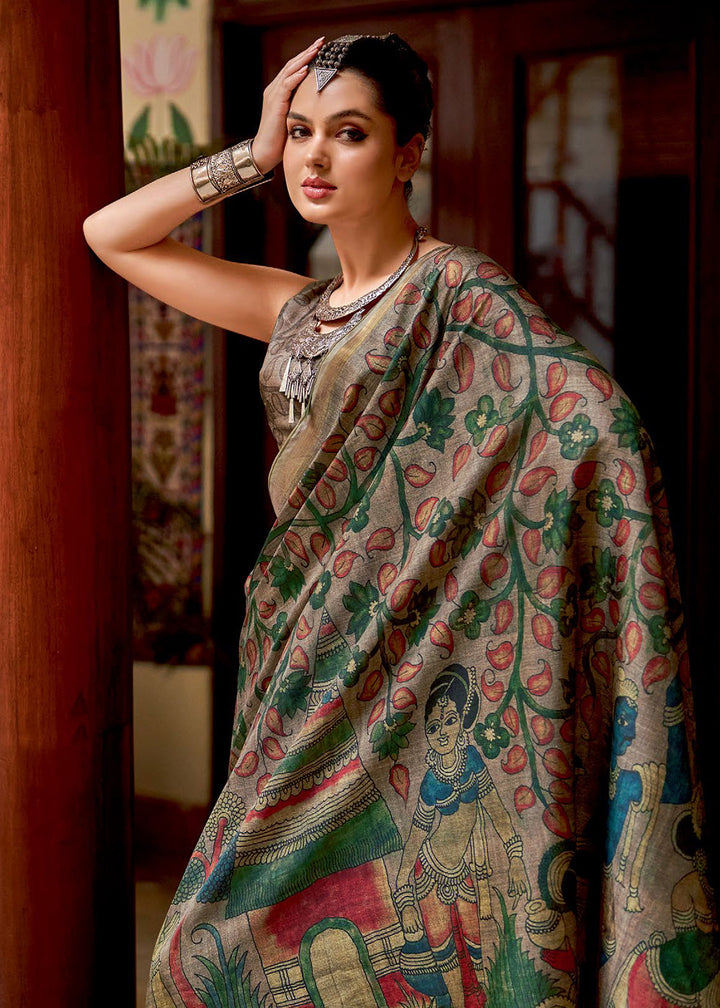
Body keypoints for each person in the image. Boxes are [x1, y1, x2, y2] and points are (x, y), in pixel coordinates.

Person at [84, 32, 718, 1008]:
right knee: (199, 963)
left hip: (422, 657)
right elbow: (111, 235)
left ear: (408, 151)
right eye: (302, 133)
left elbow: (589, 418)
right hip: (306, 655)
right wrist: (251, 153)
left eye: (348, 133)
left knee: (410, 935)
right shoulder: (295, 312)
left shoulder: (457, 292)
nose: (315, 157)